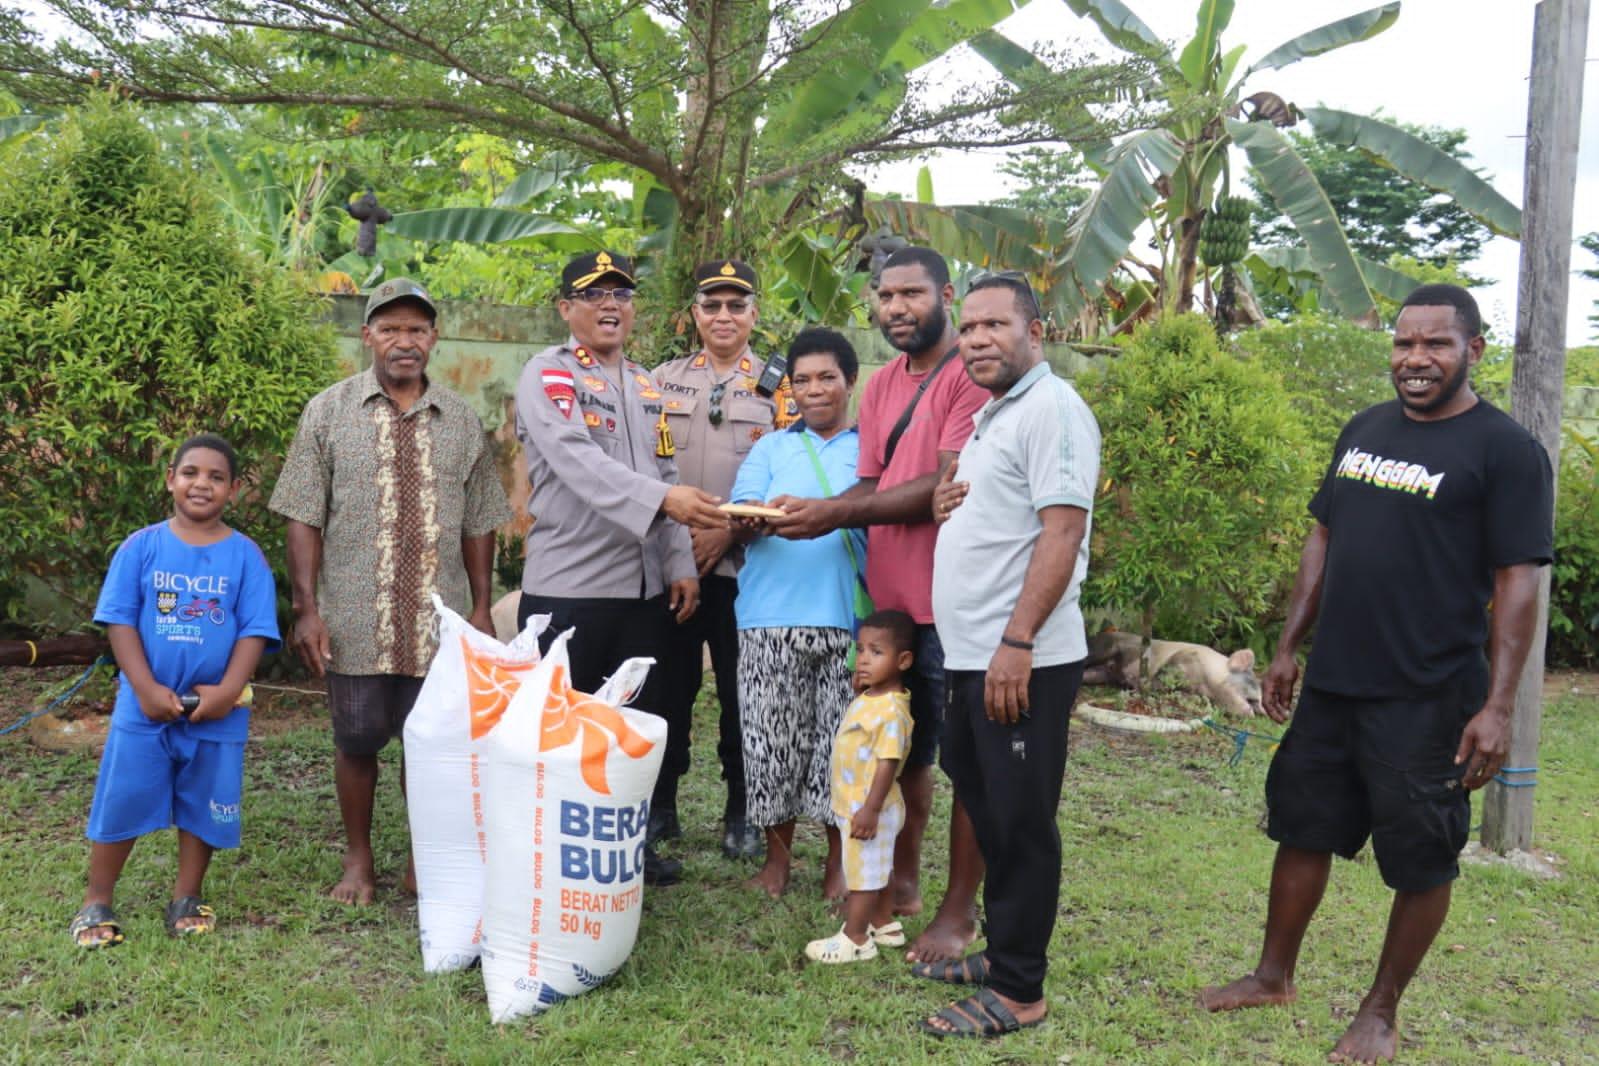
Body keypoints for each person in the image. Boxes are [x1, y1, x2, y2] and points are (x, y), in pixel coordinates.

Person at [1198, 284, 1554, 1065]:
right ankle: (1271, 975)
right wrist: (1289, 645)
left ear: (1473, 352)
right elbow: (1322, 536)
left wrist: (1497, 708)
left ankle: (1380, 1011)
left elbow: (1517, 582)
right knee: (1302, 826)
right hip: (1334, 682)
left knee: (1421, 854)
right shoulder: (1363, 430)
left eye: (1435, 344)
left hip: (1428, 695)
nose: (1415, 359)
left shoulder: (1504, 451)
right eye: (1403, 343)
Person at [767, 246, 989, 964]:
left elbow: (939, 487)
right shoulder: (886, 383)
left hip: (950, 606)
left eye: (910, 294)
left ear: (946, 294)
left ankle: (959, 909)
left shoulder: (970, 378)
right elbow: (870, 485)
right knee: (906, 756)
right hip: (889, 608)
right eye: (884, 296)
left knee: (967, 764)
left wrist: (829, 515)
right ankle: (902, 888)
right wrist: (817, 510)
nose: (896, 308)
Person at [271, 279, 513, 905]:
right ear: (368, 335)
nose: (404, 341)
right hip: (354, 616)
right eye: (391, 328)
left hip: (440, 619)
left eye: (417, 330)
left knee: (430, 743)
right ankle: (358, 861)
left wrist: (482, 607)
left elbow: (480, 517)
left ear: (433, 338)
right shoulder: (328, 411)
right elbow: (303, 513)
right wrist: (306, 608)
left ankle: (421, 858)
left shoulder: (459, 418)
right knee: (356, 738)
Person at [513, 250, 728, 887]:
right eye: (596, 294)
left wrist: (680, 562)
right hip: (572, 587)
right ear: (566, 308)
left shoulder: (642, 383)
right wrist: (666, 502)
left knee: (632, 725)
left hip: (642, 592)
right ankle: (553, 849)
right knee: (566, 728)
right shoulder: (549, 375)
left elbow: (663, 471)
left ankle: (626, 846)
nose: (612, 305)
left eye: (623, 295)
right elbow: (576, 460)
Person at [922, 273, 1100, 1037]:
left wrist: (1017, 642)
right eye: (967, 328)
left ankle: (1020, 988)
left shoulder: (1054, 410)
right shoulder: (997, 413)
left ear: (1037, 330)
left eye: (995, 325)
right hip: (973, 654)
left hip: (1018, 656)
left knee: (1021, 822)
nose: (977, 340)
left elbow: (1061, 534)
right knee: (986, 802)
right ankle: (1001, 953)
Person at [72, 434, 280, 947]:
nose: (201, 484)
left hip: (217, 710)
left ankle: (187, 896)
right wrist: (143, 687)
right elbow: (120, 621)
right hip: (144, 707)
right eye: (190, 473)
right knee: (122, 797)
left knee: (205, 802)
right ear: (170, 479)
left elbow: (254, 630)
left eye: (215, 477)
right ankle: (96, 899)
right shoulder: (141, 547)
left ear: (232, 490)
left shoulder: (246, 558)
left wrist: (229, 691)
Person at [650, 259, 797, 860]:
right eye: (712, 305)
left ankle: (742, 809)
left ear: (753, 315)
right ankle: (662, 804)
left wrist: (728, 534)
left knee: (744, 695)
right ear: (695, 315)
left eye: (737, 305)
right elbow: (646, 472)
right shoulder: (657, 381)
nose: (724, 316)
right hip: (672, 567)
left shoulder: (779, 386)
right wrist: (682, 547)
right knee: (666, 690)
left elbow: (785, 471)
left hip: (745, 571)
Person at [727, 327, 865, 899]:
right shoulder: (771, 448)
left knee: (841, 747)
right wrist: (755, 518)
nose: (814, 390)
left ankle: (837, 863)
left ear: (850, 382)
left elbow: (882, 511)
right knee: (770, 745)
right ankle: (777, 862)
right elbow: (737, 517)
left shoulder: (871, 448)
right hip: (768, 618)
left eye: (826, 378)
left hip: (848, 619)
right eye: (801, 380)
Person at [805, 609, 916, 964]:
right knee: (876, 864)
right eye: (861, 650)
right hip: (856, 802)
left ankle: (855, 938)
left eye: (876, 652)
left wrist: (870, 808)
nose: (864, 659)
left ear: (903, 660)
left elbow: (888, 762)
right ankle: (882, 922)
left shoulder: (891, 712)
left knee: (864, 873)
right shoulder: (873, 698)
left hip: (870, 806)